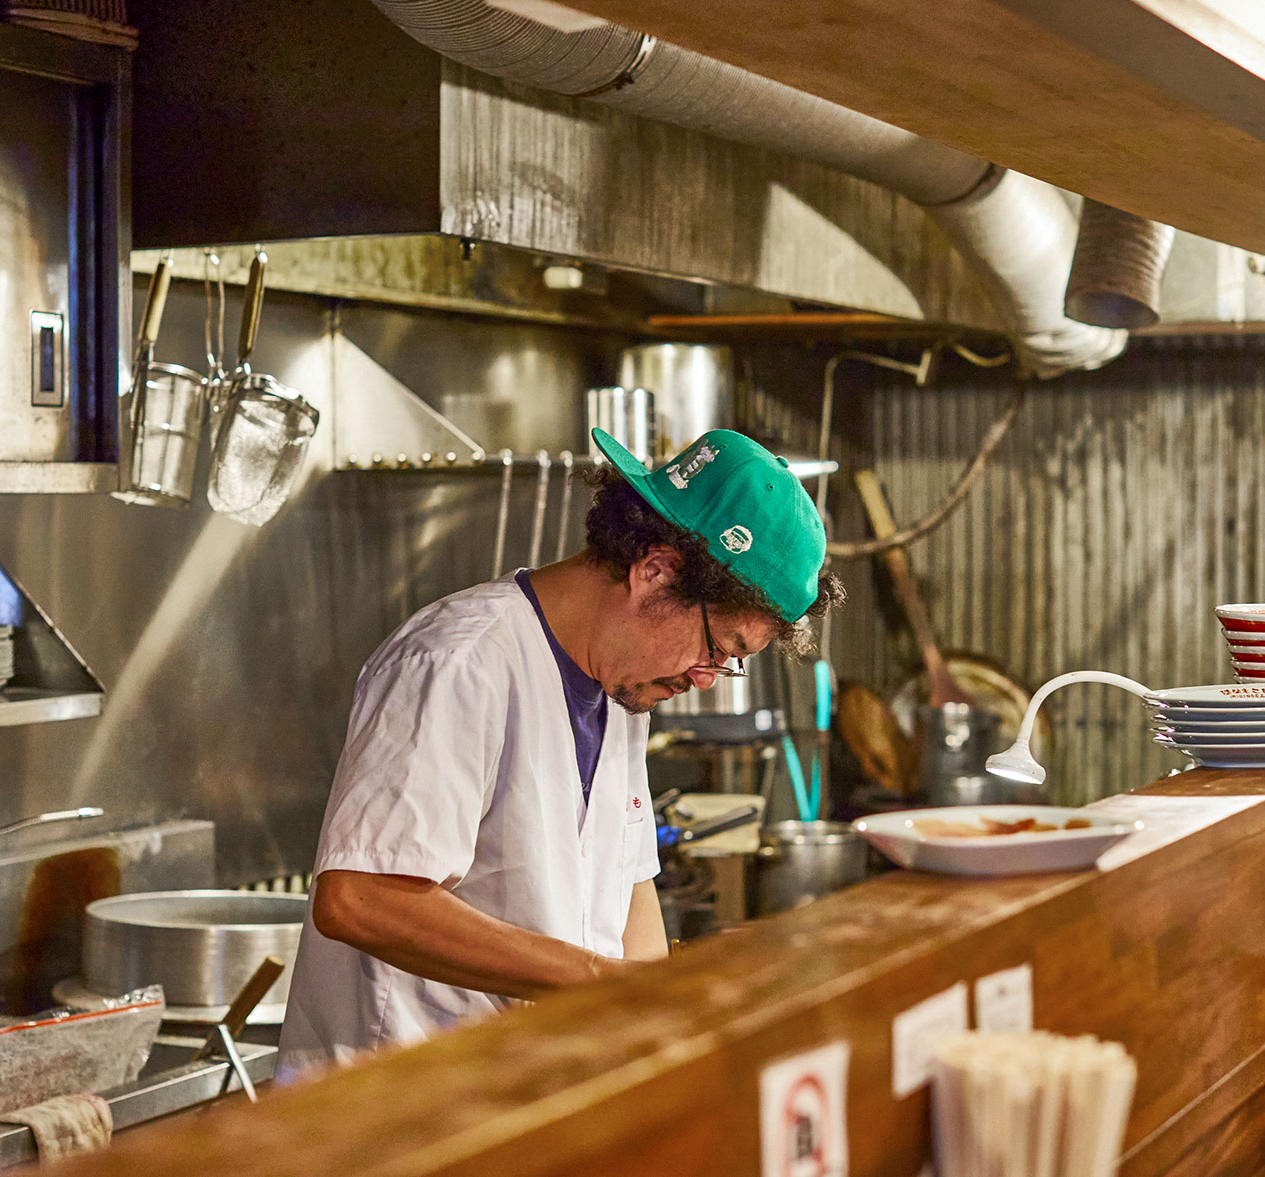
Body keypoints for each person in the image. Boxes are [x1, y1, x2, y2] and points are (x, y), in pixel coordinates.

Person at [276, 427, 843, 1079]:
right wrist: (598, 981)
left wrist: (654, 1034)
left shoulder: (623, 686)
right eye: (720, 646)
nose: (707, 676)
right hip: (398, 1100)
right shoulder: (458, 662)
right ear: (654, 571)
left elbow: (631, 893)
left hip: (524, 1088)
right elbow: (360, 897)